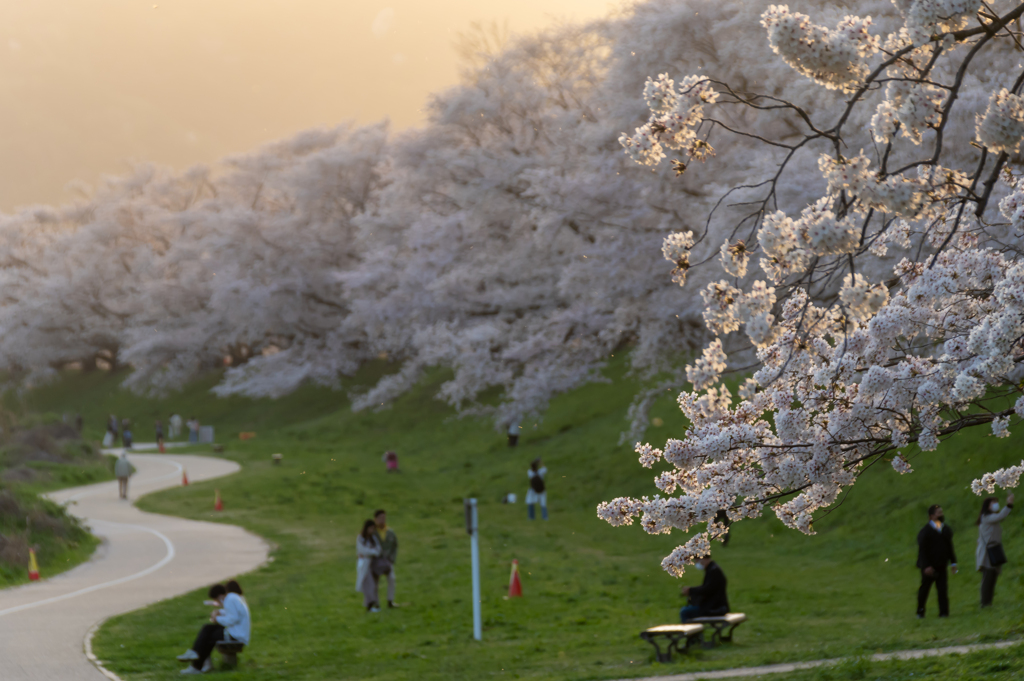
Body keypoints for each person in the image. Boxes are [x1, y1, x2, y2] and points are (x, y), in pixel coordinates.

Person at [178, 580, 250, 675]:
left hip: (235, 636)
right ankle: (196, 662)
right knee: (208, 630)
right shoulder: (234, 597)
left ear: (219, 596)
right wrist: (220, 612)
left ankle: (196, 662)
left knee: (207, 633)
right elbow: (234, 613)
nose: (217, 603)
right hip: (237, 634)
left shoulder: (229, 599)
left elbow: (232, 619)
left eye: (216, 600)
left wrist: (217, 618)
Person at [917, 504, 958, 618]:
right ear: (931, 516)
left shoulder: (945, 530)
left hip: (941, 565)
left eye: (941, 512)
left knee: (942, 590)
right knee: (924, 589)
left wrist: (953, 562)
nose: (941, 515)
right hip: (929, 566)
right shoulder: (925, 532)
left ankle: (944, 613)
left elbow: (949, 547)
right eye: (938, 513)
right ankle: (920, 612)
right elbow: (922, 551)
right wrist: (926, 566)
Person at [977, 493, 1014, 607]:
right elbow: (1001, 516)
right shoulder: (986, 517)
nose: (995, 505)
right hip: (988, 551)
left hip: (994, 549)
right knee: (988, 577)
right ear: (987, 506)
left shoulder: (991, 517)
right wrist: (1009, 504)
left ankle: (988, 602)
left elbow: (1000, 517)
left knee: (992, 577)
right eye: (993, 503)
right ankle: (985, 603)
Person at [679, 555, 730, 622]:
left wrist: (690, 590)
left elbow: (707, 589)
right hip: (717, 606)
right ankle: (696, 631)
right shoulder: (712, 569)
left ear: (703, 559)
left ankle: (692, 632)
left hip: (715, 608)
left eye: (697, 561)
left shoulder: (713, 571)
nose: (697, 563)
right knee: (688, 609)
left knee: (685, 611)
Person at [356, 519, 384, 612]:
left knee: (374, 585)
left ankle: (372, 605)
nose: (372, 530)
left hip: (372, 563)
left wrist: (370, 552)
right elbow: (362, 551)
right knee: (369, 584)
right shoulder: (360, 538)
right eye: (371, 528)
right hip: (364, 564)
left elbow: (378, 550)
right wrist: (372, 552)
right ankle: (372, 604)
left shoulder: (373, 538)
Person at [375, 509, 399, 608]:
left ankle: (390, 601)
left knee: (391, 579)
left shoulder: (390, 532)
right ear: (375, 519)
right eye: (380, 518)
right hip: (376, 561)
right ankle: (375, 603)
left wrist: (392, 558)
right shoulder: (373, 532)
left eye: (384, 518)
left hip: (388, 561)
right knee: (375, 582)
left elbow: (395, 545)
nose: (382, 520)